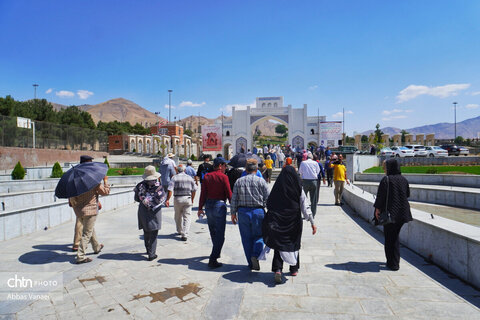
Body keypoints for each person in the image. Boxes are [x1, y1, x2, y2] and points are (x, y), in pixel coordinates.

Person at [262, 166, 317, 284]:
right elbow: (305, 206)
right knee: (294, 243)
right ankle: (294, 269)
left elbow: (269, 204)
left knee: (278, 244)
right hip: (293, 222)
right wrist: (312, 222)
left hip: (278, 221)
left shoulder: (277, 188)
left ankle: (277, 269)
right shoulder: (298, 188)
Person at [374, 159, 413, 271]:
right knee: (394, 236)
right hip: (403, 213)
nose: (384, 169)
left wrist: (377, 209)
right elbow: (407, 194)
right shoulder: (404, 180)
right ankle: (394, 261)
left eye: (385, 167)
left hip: (390, 213)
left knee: (390, 238)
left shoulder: (386, 180)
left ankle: (393, 263)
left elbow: (380, 197)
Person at [230, 161, 270, 270]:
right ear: (256, 170)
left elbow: (234, 199)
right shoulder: (261, 181)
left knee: (246, 238)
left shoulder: (239, 182)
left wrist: (233, 213)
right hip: (258, 211)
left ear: (246, 170)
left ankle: (250, 263)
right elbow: (268, 198)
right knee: (260, 236)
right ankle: (255, 255)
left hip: (243, 212)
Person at [198, 157, 232, 268]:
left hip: (208, 206)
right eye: (225, 165)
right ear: (221, 165)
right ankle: (213, 258)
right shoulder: (224, 177)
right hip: (219, 205)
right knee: (220, 234)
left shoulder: (207, 176)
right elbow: (229, 193)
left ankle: (216, 251)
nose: (225, 167)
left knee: (213, 231)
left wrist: (200, 208)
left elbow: (203, 193)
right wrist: (234, 209)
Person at [71, 171, 110, 264]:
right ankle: (80, 256)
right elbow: (105, 192)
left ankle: (97, 247)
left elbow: (73, 199)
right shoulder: (93, 182)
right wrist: (105, 181)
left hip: (79, 211)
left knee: (90, 229)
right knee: (86, 234)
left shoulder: (75, 183)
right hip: (90, 210)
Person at [134, 166, 165, 261]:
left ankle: (148, 249)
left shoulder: (140, 186)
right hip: (155, 211)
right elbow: (161, 198)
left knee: (146, 230)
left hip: (143, 210)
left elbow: (136, 198)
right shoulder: (158, 186)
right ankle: (152, 254)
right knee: (154, 232)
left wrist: (145, 201)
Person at [166, 164, 197, 241]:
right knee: (187, 217)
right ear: (184, 170)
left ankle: (179, 230)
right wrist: (192, 199)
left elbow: (170, 190)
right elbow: (194, 190)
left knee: (177, 216)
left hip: (178, 199)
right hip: (187, 198)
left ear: (177, 170)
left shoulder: (174, 178)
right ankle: (185, 234)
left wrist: (167, 199)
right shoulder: (190, 178)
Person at [71, 155, 93, 252]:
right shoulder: (85, 173)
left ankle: (95, 245)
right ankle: (77, 245)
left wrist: (71, 200)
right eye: (90, 161)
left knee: (87, 223)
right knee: (82, 222)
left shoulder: (75, 171)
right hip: (84, 202)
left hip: (77, 201)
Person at [298, 153, 321, 217]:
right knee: (313, 199)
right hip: (313, 181)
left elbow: (300, 172)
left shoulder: (303, 163)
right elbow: (318, 171)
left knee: (303, 199)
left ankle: (304, 214)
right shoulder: (315, 163)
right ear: (312, 158)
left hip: (305, 181)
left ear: (306, 157)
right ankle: (313, 214)